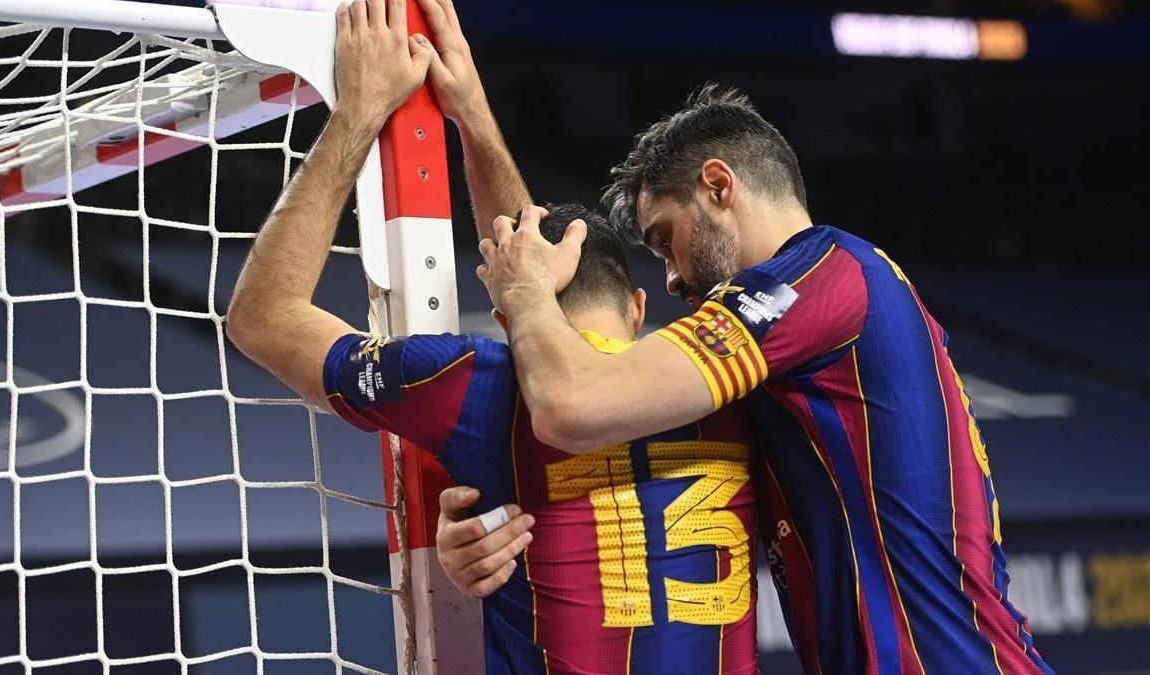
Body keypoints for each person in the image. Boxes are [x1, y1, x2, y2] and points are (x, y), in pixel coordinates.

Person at [226, 1, 765, 672]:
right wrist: (474, 115)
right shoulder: (737, 386)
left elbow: (262, 317)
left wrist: (359, 110)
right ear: (634, 306)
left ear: (511, 305)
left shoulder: (476, 382)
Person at [470, 85, 1054, 674]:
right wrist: (490, 523)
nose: (671, 279)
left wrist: (521, 293)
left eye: (665, 240)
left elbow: (572, 400)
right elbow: (566, 330)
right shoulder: (797, 342)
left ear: (719, 187)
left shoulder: (818, 278)